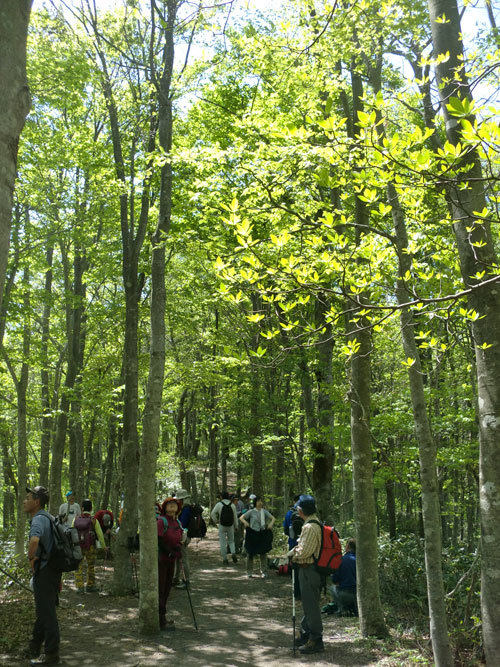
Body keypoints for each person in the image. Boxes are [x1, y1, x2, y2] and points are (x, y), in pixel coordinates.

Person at [23, 486, 62, 665]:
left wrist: (31, 557)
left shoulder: (38, 519)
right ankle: (34, 646)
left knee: (47, 614)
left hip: (44, 572)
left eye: (28, 498)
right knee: (44, 610)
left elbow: (34, 541)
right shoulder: (49, 517)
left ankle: (52, 654)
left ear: (37, 502)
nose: (24, 501)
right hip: (52, 571)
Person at [287, 494, 324, 654]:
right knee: (309, 605)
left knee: (311, 606)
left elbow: (305, 551)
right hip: (309, 569)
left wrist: (292, 555)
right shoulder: (313, 523)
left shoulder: (310, 527)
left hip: (309, 569)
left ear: (301, 510)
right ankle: (306, 633)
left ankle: (316, 639)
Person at [157, 497, 184, 631]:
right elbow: (159, 539)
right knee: (161, 589)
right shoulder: (162, 521)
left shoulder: (177, 522)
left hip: (171, 560)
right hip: (161, 559)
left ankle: (162, 617)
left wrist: (178, 549)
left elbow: (179, 539)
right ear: (164, 507)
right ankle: (161, 620)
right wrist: (170, 551)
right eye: (169, 504)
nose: (173, 506)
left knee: (167, 588)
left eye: (175, 504)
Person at [74, 499, 107, 593]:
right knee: (91, 566)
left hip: (78, 546)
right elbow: (100, 534)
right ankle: (90, 585)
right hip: (90, 546)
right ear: (91, 508)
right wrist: (104, 546)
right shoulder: (93, 520)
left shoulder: (76, 519)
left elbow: (72, 531)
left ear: (82, 508)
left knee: (78, 566)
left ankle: (80, 587)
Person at [240, 495, 275, 578]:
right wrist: (245, 523)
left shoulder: (264, 511)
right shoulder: (251, 512)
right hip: (252, 533)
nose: (260, 503)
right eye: (258, 501)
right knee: (250, 553)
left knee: (263, 553)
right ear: (255, 503)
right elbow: (241, 517)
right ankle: (249, 572)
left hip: (262, 533)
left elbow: (273, 518)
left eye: (261, 501)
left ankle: (264, 571)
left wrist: (270, 524)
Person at [330, 538, 357, 616]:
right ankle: (354, 608)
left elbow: (335, 579)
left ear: (347, 547)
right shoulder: (361, 560)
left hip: (345, 595)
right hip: (359, 596)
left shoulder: (341, 560)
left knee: (332, 588)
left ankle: (342, 609)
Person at [211, 491, 238, 565]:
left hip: (222, 525)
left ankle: (225, 559)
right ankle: (233, 552)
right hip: (230, 525)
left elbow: (212, 513)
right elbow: (235, 517)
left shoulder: (219, 504)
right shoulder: (232, 505)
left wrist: (216, 521)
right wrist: (236, 526)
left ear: (221, 497)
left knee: (222, 542)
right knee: (231, 541)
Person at [173, 488, 192, 588]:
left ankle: (186, 581)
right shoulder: (185, 509)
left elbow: (182, 524)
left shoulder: (186, 510)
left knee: (183, 559)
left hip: (183, 536)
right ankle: (175, 578)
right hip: (183, 535)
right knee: (178, 558)